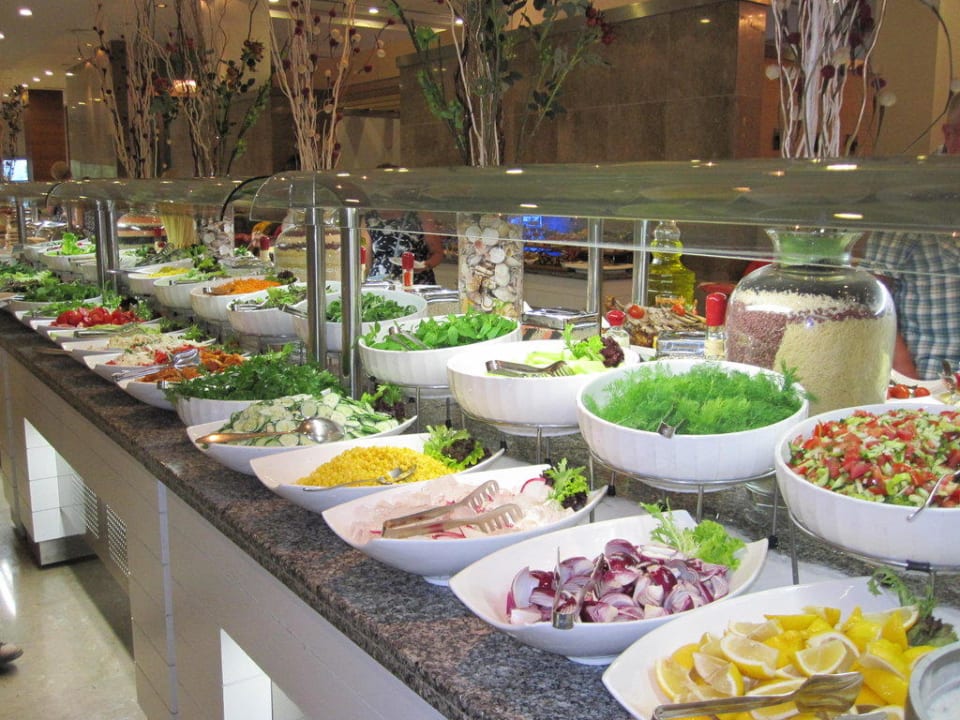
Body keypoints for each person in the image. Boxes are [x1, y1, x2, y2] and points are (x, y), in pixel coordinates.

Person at [861, 93, 960, 380]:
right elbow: (872, 298)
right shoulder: (911, 197)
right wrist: (913, 388)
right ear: (950, 135)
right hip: (935, 378)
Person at [363, 209, 445, 285]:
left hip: (416, 283)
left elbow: (438, 253)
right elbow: (365, 259)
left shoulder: (421, 215)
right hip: (381, 282)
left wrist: (425, 266)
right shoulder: (369, 218)